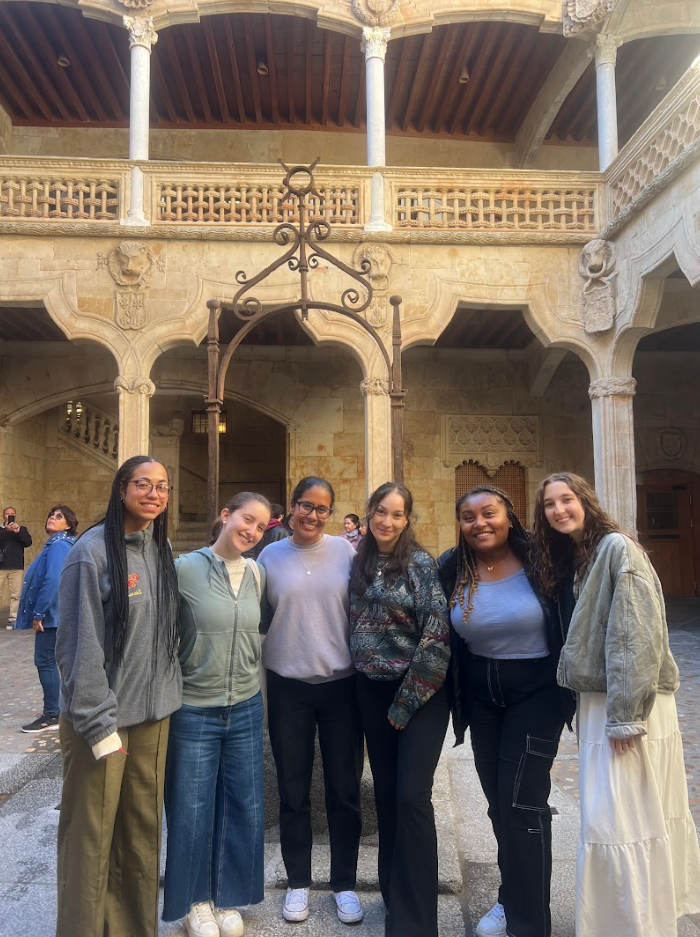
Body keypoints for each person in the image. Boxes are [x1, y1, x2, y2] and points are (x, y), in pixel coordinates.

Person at [531, 472, 700, 937]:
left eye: (567, 500)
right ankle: (631, 920)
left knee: (621, 814)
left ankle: (634, 923)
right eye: (549, 504)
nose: (559, 510)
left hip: (625, 701)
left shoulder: (618, 549)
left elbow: (634, 634)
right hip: (602, 699)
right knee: (624, 812)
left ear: (586, 500)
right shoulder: (583, 554)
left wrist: (626, 717)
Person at [437, 485, 574, 937]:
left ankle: (530, 923)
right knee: (500, 804)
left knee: (522, 804)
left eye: (489, 512)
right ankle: (511, 898)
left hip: (536, 693)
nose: (480, 523)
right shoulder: (451, 567)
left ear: (509, 517)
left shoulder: (543, 559)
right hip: (481, 698)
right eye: (469, 516)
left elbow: (591, 553)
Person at [55, 456, 182, 937]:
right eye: (143, 484)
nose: (154, 494)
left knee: (141, 835)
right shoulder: (91, 554)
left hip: (152, 718)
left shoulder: (159, 548)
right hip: (102, 722)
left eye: (162, 487)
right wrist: (96, 722)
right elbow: (77, 646)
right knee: (90, 837)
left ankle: (130, 928)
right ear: (122, 488)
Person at [163, 492, 272, 937]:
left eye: (261, 527)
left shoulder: (258, 573)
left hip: (245, 706)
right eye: (247, 519)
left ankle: (229, 898)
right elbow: (164, 635)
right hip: (194, 708)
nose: (251, 531)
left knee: (243, 805)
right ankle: (195, 901)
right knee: (191, 809)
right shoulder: (184, 568)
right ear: (226, 516)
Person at [257, 476, 364, 926]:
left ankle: (344, 884)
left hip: (342, 686)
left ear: (332, 513)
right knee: (293, 790)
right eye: (306, 505)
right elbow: (258, 619)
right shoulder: (269, 556)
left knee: (344, 790)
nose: (313, 515)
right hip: (288, 688)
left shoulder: (347, 552)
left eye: (322, 508)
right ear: (292, 507)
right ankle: (297, 882)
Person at [350, 482, 451, 937]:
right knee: (388, 798)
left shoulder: (420, 563)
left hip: (420, 694)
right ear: (368, 512)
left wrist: (407, 702)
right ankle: (395, 897)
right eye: (379, 511)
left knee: (411, 797)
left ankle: (415, 921)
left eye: (396, 514)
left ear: (408, 519)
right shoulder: (359, 559)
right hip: (371, 692)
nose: (386, 521)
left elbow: (436, 637)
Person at [16, 505, 78, 733]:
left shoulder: (59, 547)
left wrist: (39, 612)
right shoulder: (58, 545)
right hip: (56, 614)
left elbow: (53, 580)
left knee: (45, 661)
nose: (52, 517)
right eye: (51, 514)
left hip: (52, 616)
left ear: (69, 525)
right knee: (53, 662)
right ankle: (58, 709)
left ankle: (52, 714)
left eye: (59, 516)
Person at [0, 505, 32, 629]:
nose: (9, 515)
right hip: (1, 566)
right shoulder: (1, 530)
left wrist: (18, 532)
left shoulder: (21, 529)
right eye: (7, 514)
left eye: (12, 513)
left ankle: (13, 619)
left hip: (16, 567)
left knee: (16, 595)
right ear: (3, 516)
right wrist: (5, 531)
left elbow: (28, 542)